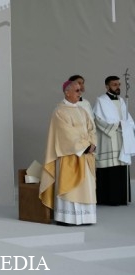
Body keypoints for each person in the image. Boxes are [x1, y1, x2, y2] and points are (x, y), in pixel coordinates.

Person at [40, 80, 97, 225]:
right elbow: (66, 134)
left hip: (85, 155)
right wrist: (85, 146)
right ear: (67, 92)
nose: (80, 93)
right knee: (71, 188)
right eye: (77, 90)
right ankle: (67, 218)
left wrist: (92, 144)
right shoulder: (59, 111)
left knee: (85, 187)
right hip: (69, 155)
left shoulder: (82, 111)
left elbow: (92, 129)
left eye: (80, 90)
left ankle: (86, 217)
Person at [92, 75, 135, 206]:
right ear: (107, 86)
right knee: (109, 169)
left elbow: (127, 118)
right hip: (108, 138)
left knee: (120, 167)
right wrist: (115, 126)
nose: (117, 87)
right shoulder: (101, 101)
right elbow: (97, 119)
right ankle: (107, 198)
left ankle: (121, 198)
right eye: (114, 85)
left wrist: (128, 125)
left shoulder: (121, 100)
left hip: (121, 138)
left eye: (119, 84)